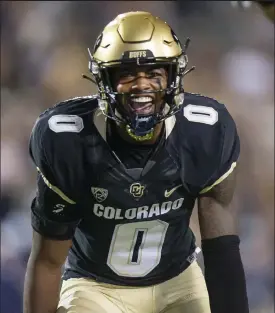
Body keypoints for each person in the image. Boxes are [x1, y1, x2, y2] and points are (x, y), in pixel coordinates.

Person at [23, 11, 249, 313]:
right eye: (127, 73)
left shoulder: (204, 131)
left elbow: (222, 251)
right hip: (95, 286)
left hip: (178, 280)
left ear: (173, 77)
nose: (142, 85)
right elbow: (49, 261)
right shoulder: (67, 140)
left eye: (155, 73)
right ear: (105, 80)